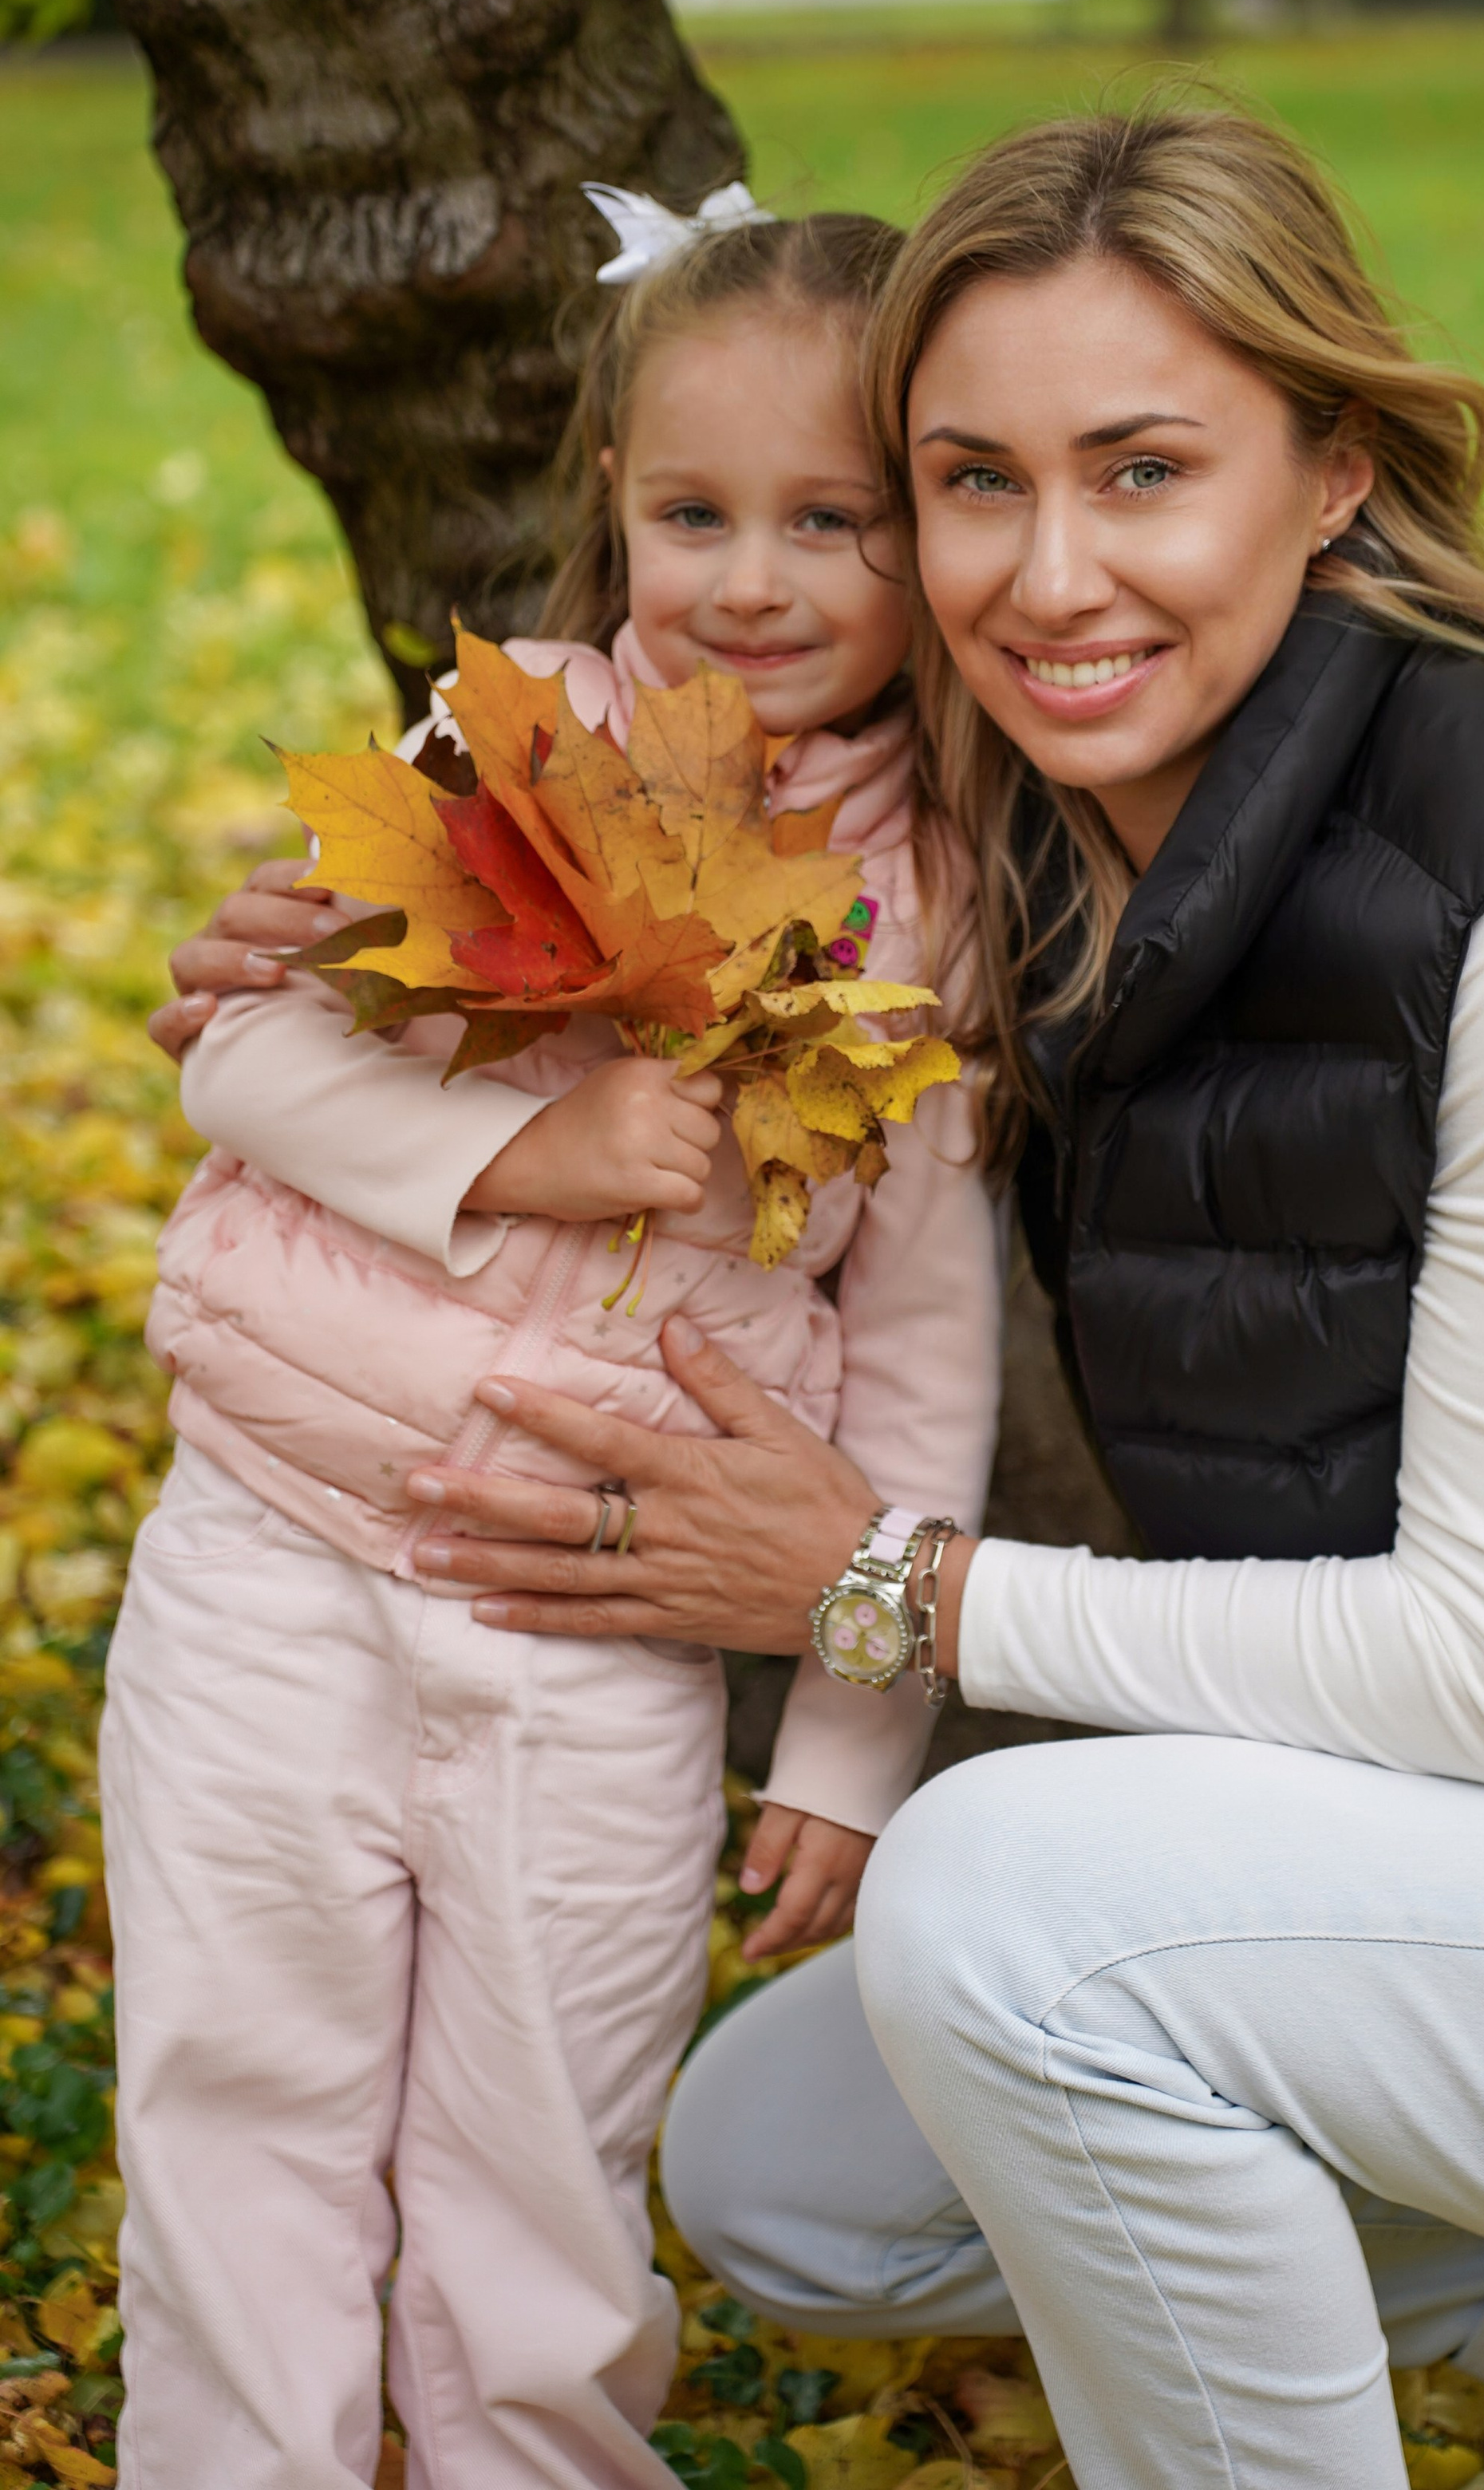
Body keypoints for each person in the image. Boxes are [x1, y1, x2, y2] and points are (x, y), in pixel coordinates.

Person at [160, 109, 1484, 2490]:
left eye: (1143, 471)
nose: (1050, 575)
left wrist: (874, 1595)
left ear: (1335, 469)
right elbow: (660, 901)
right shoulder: (1025, 854)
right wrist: (357, 954)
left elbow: (1479, 1668)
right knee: (784, 2176)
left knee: (1006, 1900)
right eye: (967, 483)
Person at [116, 189, 1000, 2490]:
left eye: (836, 520)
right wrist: (514, 1156)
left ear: (931, 533)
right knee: (241, 2119)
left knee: (538, 2192)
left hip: (602, 1629)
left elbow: (920, 1356)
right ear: (610, 496)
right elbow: (239, 1063)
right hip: (278, 1558)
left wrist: (843, 1745)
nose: (756, 580)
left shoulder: (943, 912)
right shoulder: (488, 759)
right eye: (696, 512)